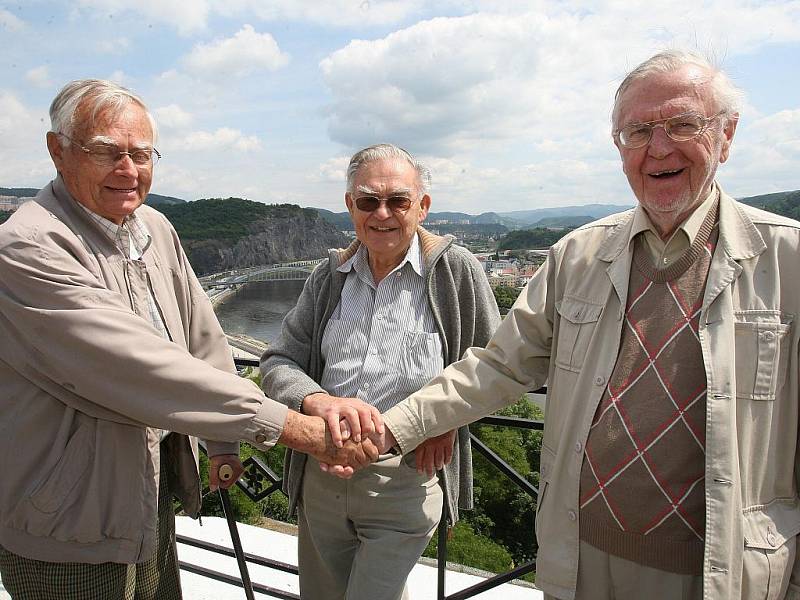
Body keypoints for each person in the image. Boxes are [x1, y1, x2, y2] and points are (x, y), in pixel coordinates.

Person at [378, 50, 800, 599]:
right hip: (581, 561)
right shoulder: (577, 255)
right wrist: (395, 427)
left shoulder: (787, 261)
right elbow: (498, 367)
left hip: (721, 573)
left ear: (726, 135)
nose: (659, 147)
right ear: (619, 146)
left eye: (682, 124)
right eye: (638, 131)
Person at [0, 79, 378, 600]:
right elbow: (134, 365)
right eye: (108, 152)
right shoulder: (27, 246)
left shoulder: (152, 226)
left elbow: (202, 336)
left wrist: (222, 441)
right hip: (65, 516)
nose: (128, 170)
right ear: (57, 151)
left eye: (141, 154)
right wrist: (294, 429)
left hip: (144, 492)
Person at [260, 143, 500, 600]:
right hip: (322, 470)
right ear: (350, 206)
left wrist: (441, 419)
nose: (382, 214)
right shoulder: (328, 276)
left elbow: (491, 367)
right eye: (368, 201)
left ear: (423, 207)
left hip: (408, 474)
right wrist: (318, 400)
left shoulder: (454, 271)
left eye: (398, 200)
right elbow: (276, 361)